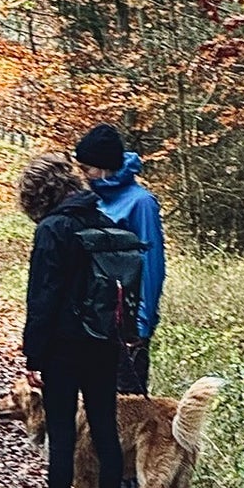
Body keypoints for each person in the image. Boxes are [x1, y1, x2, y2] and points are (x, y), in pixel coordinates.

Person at [17, 153, 126, 488]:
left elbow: (42, 297)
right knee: (104, 427)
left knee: (61, 434)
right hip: (103, 340)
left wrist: (34, 355)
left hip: (63, 346)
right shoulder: (103, 221)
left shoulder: (53, 229)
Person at [73, 124, 166, 394]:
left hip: (124, 321)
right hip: (90, 319)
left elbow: (151, 265)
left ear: (104, 167)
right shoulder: (87, 198)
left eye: (87, 168)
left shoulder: (141, 202)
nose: (84, 175)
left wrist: (140, 325)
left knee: (126, 409)